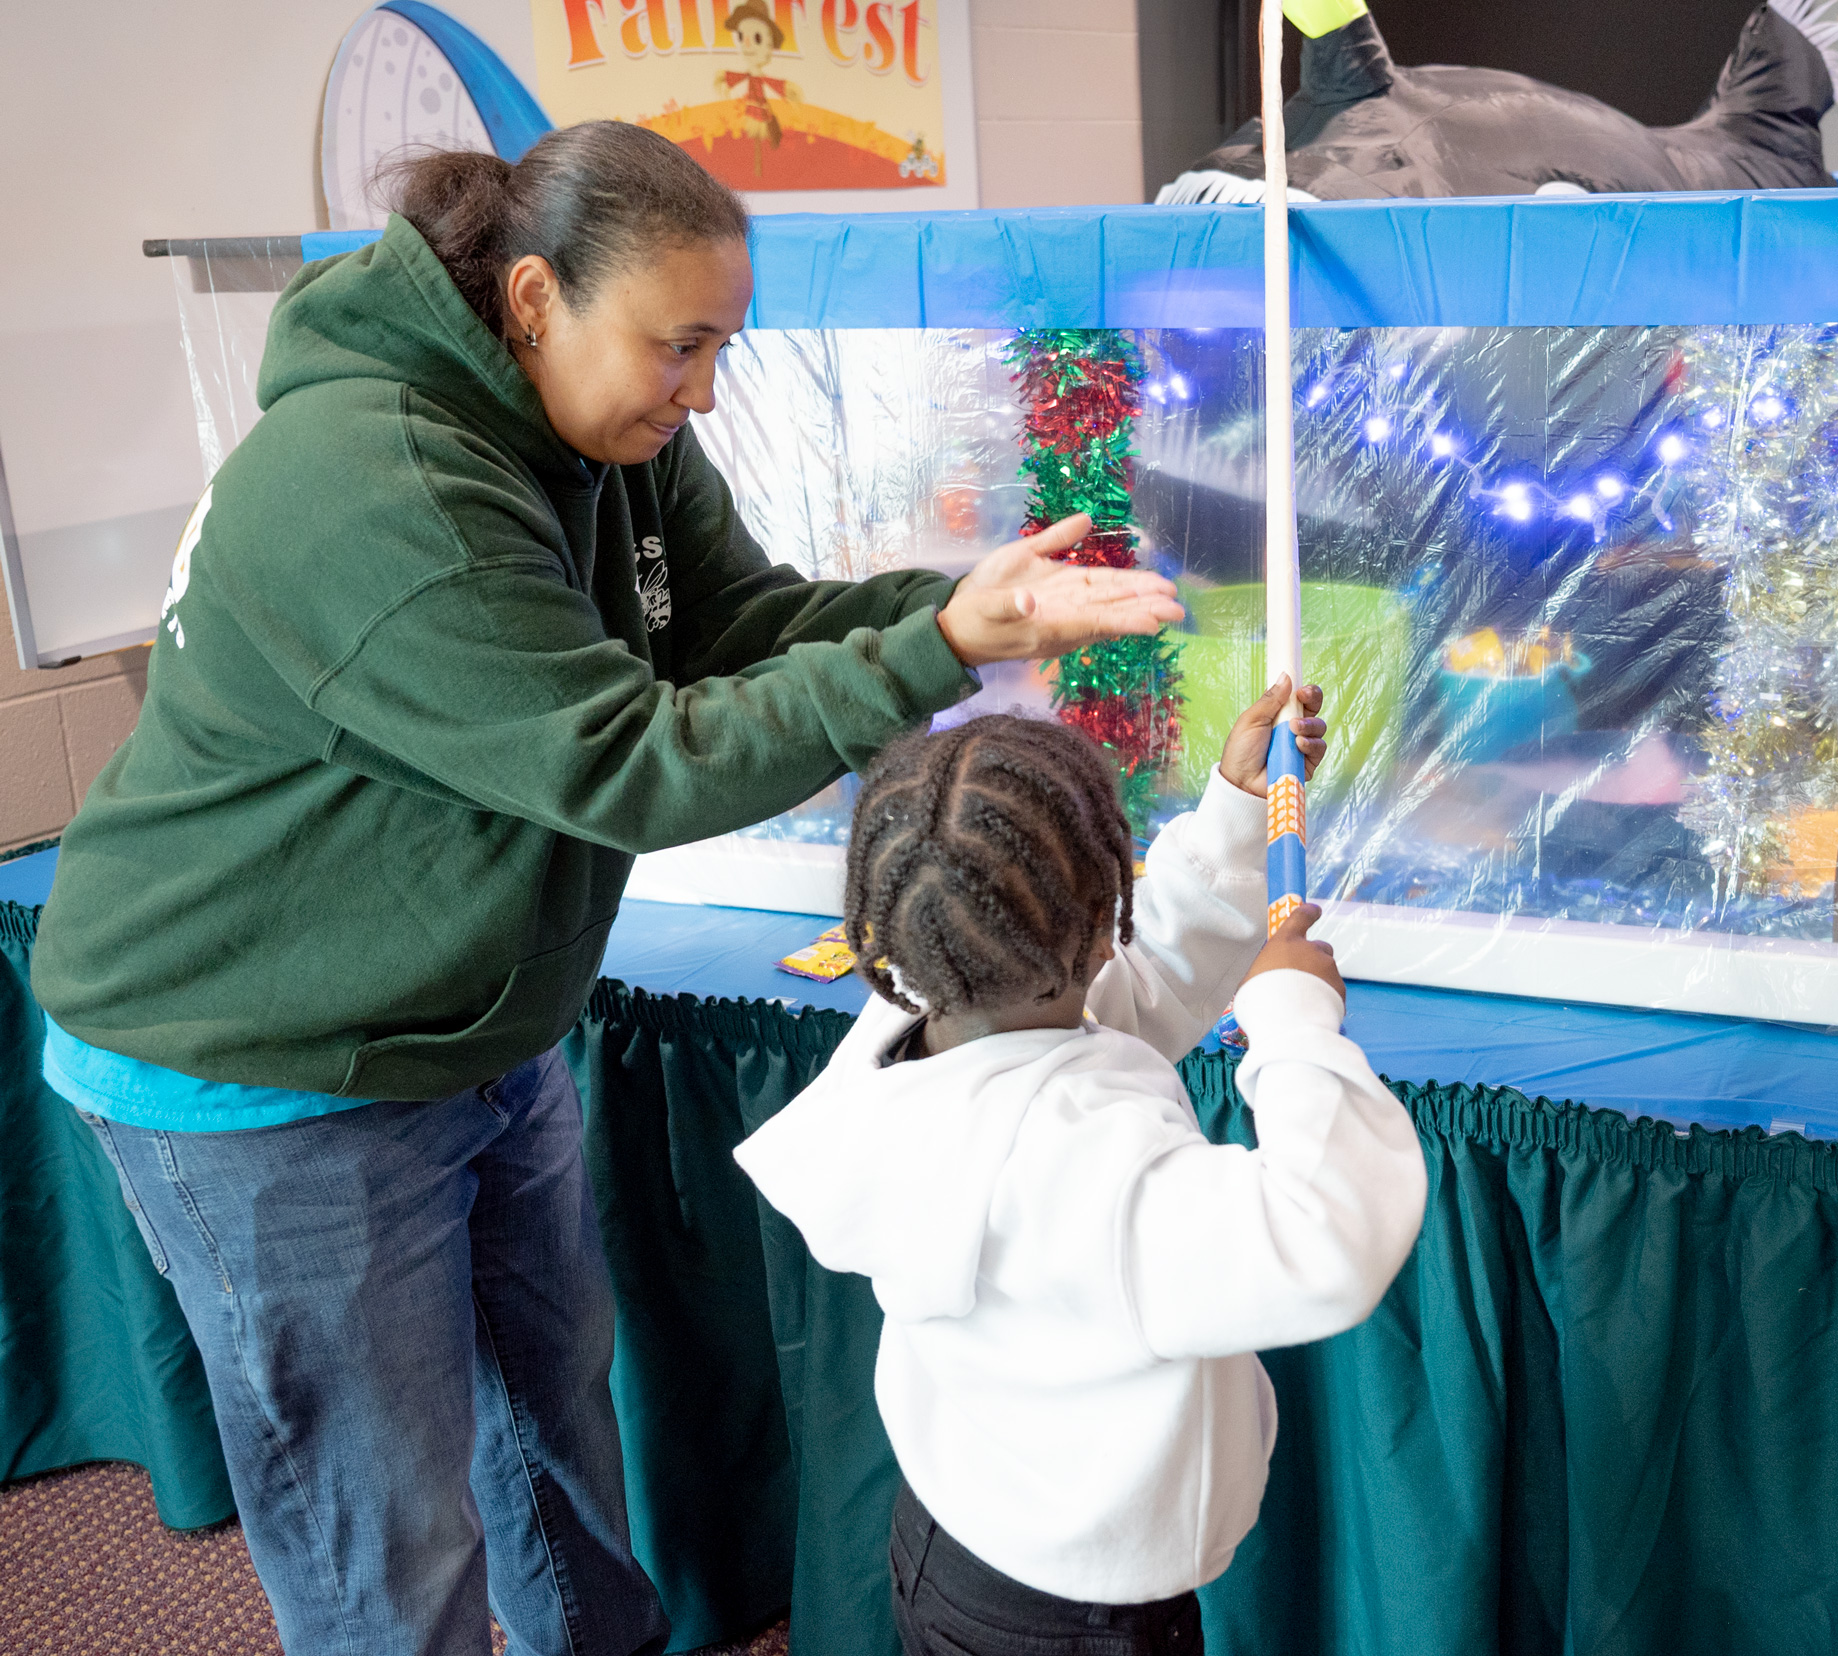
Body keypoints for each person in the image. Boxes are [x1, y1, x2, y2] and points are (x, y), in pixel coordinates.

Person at [30, 120, 1181, 1656]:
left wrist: (963, 603)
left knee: (553, 1439)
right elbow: (633, 762)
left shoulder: (608, 432)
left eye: (724, 348)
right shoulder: (376, 486)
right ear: (529, 300)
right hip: (260, 1056)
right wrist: (937, 655)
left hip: (472, 1028)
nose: (701, 389)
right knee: (388, 1534)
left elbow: (740, 622)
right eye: (679, 345)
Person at [734, 681, 1428, 1656]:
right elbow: (1320, 1233)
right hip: (1074, 1614)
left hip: (959, 1537)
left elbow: (1126, 995)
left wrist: (1235, 811)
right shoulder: (1089, 1163)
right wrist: (1295, 1025)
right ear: (1105, 919)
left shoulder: (921, 1024)